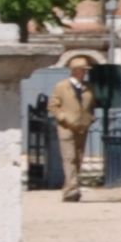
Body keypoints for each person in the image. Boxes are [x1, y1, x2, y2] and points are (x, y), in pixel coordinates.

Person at [45, 52, 99, 201]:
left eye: (86, 71)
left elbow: (92, 105)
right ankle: (72, 189)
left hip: (82, 127)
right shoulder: (61, 86)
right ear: (75, 71)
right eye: (83, 70)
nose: (85, 73)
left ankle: (69, 187)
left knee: (78, 158)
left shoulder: (89, 87)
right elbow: (53, 106)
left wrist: (90, 118)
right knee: (69, 158)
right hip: (66, 127)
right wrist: (63, 118)